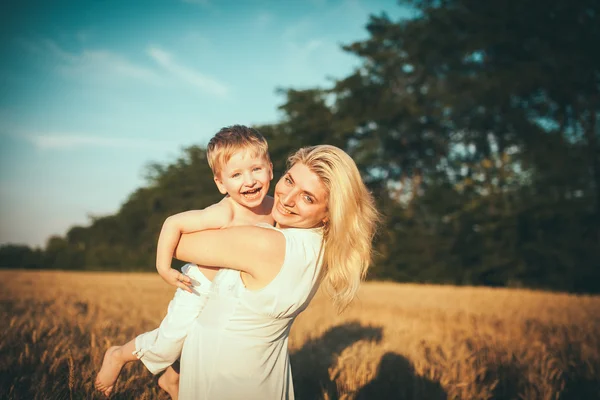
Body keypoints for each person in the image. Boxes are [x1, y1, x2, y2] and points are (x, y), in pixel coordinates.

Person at [172, 144, 379, 399]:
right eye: (289, 180)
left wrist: (229, 211)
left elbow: (179, 243)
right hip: (261, 375)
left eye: (308, 197)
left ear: (328, 214)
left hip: (223, 377)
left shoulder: (268, 243)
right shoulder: (319, 247)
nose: (287, 198)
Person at [95, 125, 275, 398]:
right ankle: (118, 354)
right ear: (221, 184)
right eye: (236, 174)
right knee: (169, 343)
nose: (249, 181)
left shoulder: (275, 210)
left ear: (270, 169)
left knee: (200, 343)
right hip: (198, 286)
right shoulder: (223, 212)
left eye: (256, 170)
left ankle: (171, 379)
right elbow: (173, 222)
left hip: (231, 292)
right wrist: (163, 267)